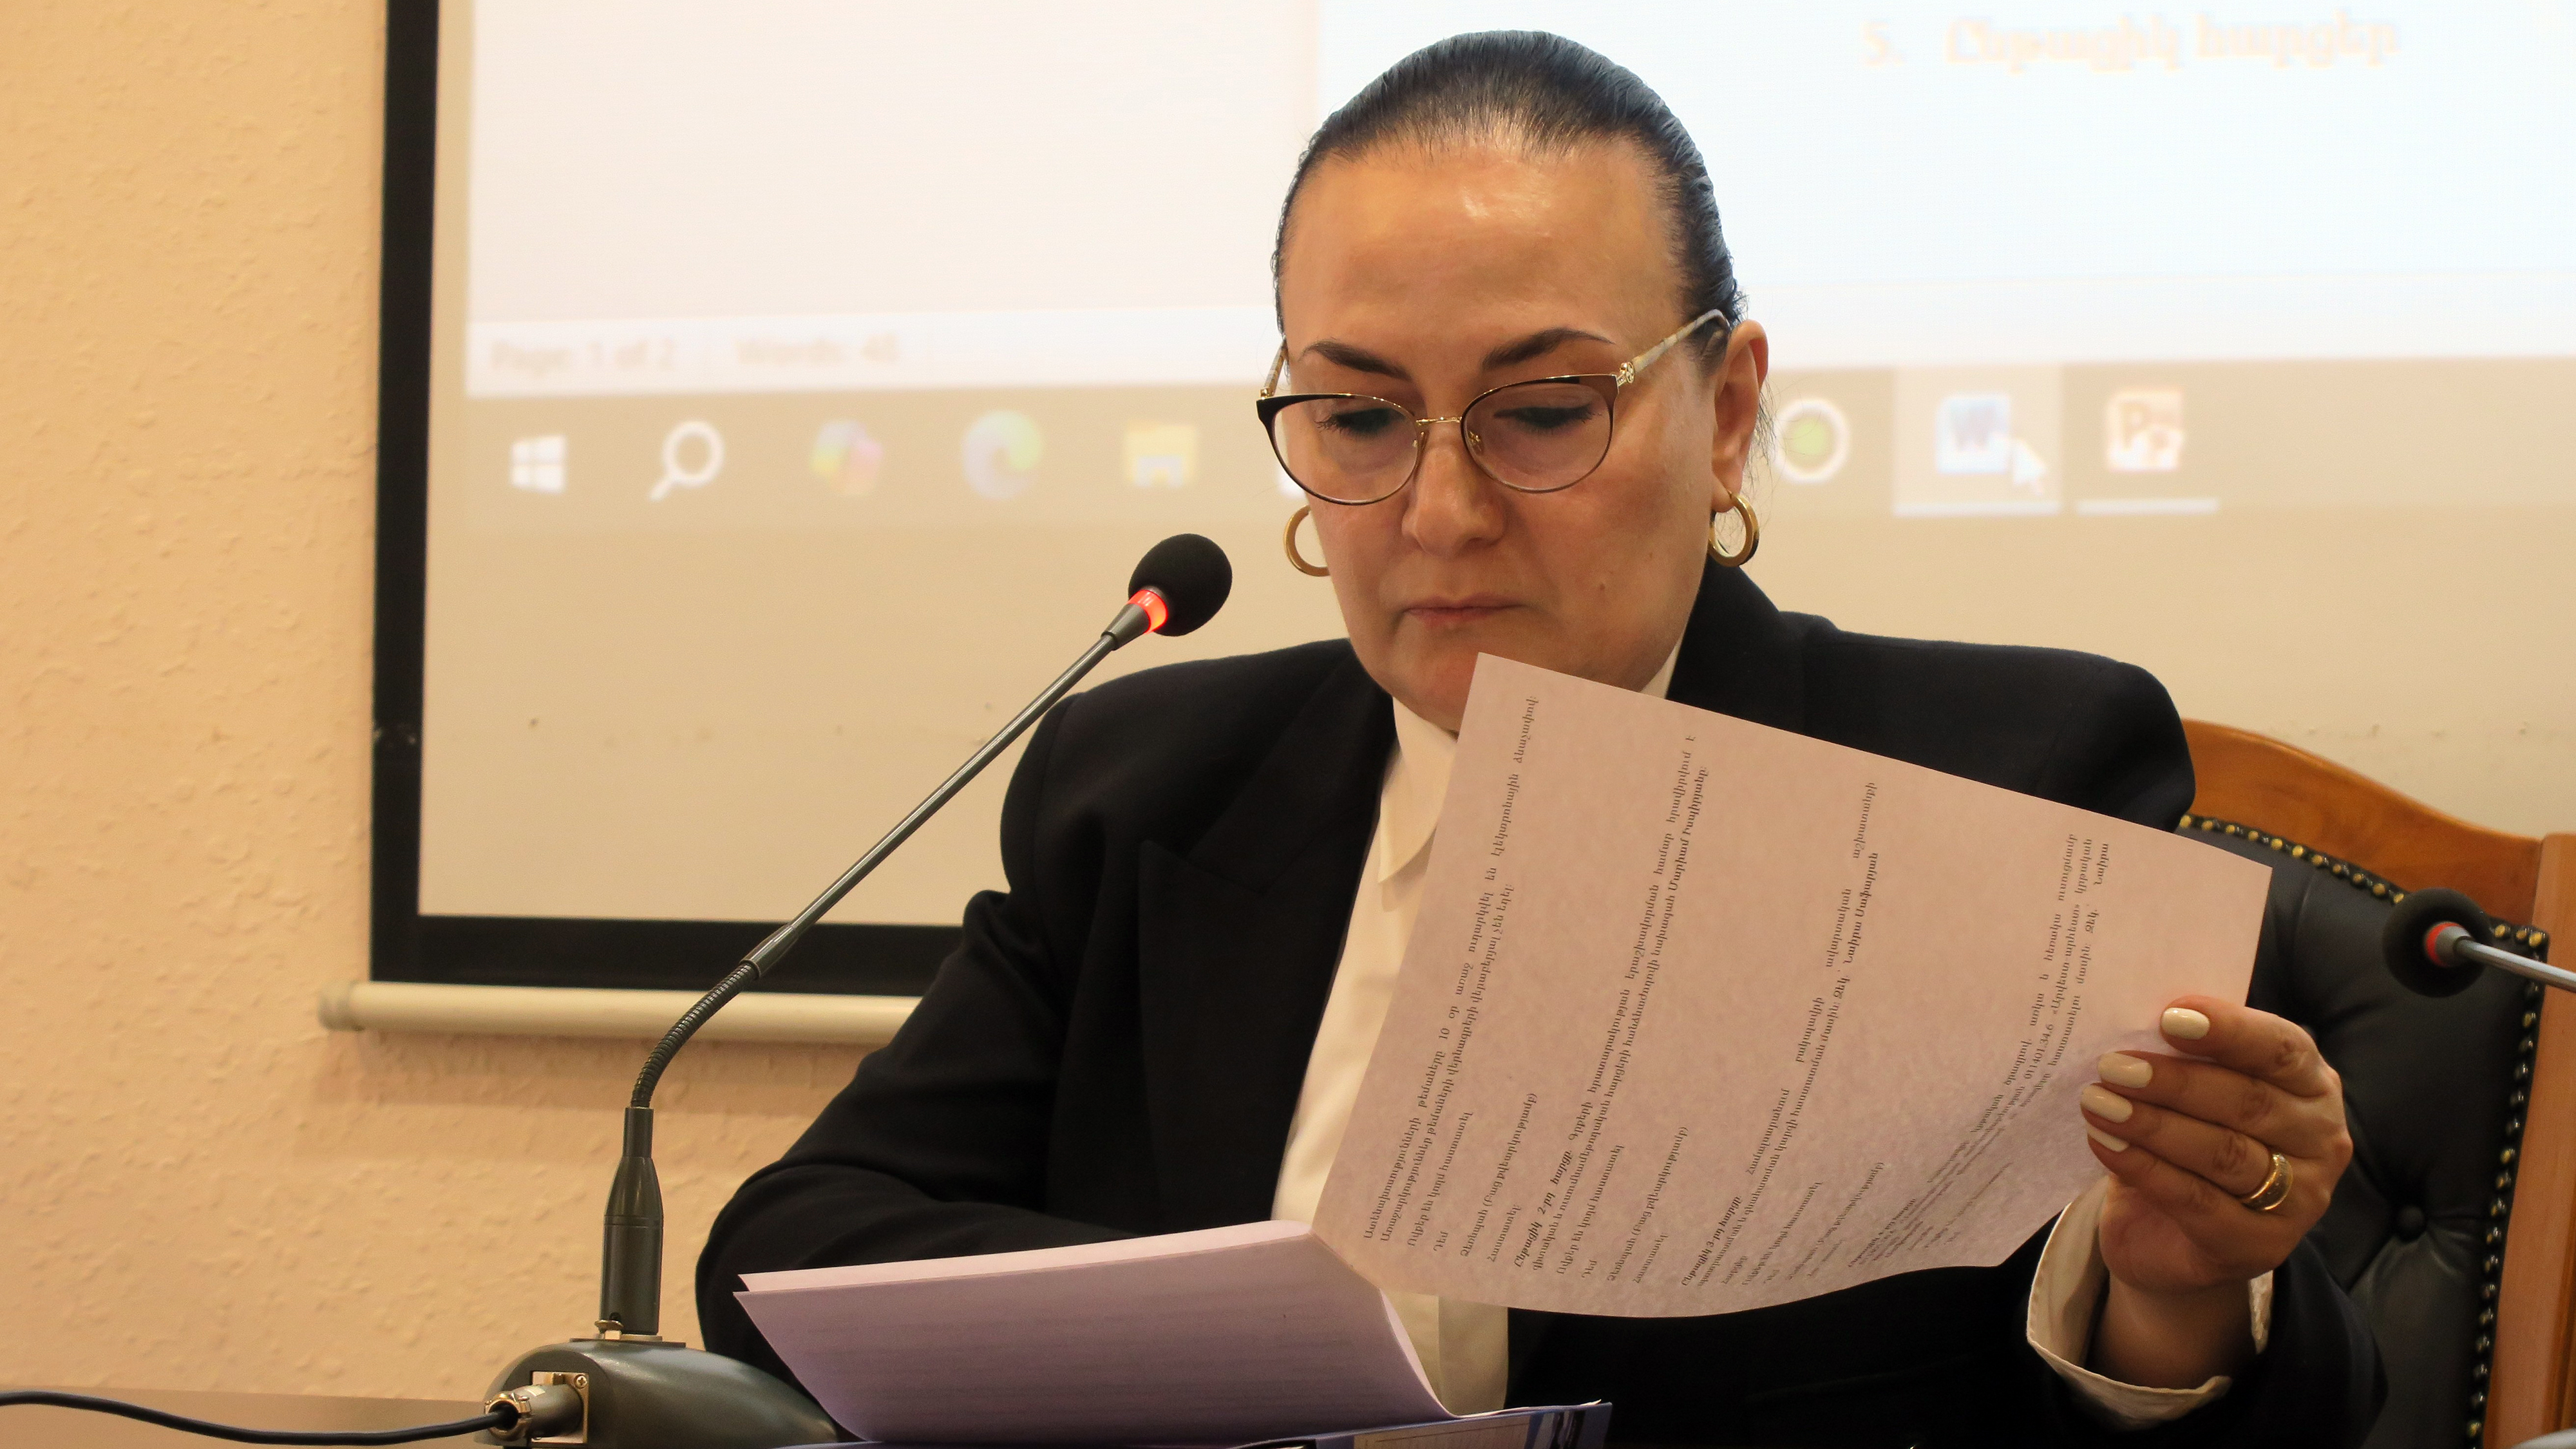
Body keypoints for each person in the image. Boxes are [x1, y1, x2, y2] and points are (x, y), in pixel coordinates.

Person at [699, 32, 2376, 1448]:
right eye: (1360, 416)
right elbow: (790, 1254)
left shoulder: (2002, 783)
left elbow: (2281, 1406)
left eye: (1543, 410)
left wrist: (2170, 1290)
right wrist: (1248, 1330)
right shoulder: (1143, 791)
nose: (1437, 510)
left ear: (1727, 415)